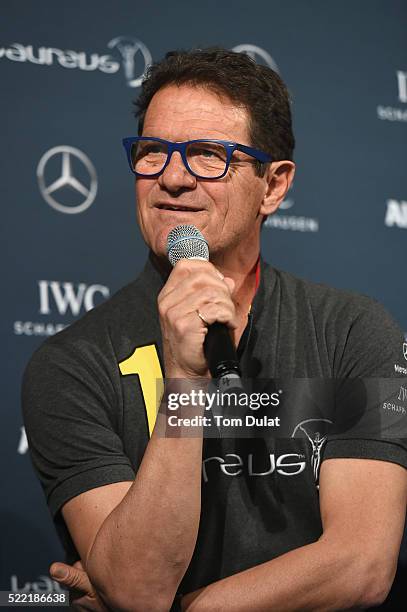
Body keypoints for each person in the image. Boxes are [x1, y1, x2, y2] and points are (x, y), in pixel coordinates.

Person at [23, 48, 407, 611]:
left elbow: (362, 564)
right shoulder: (69, 365)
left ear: (273, 186)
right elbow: (136, 586)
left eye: (207, 155)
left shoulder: (357, 331)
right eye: (153, 152)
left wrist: (180, 610)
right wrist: (182, 380)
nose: (172, 178)